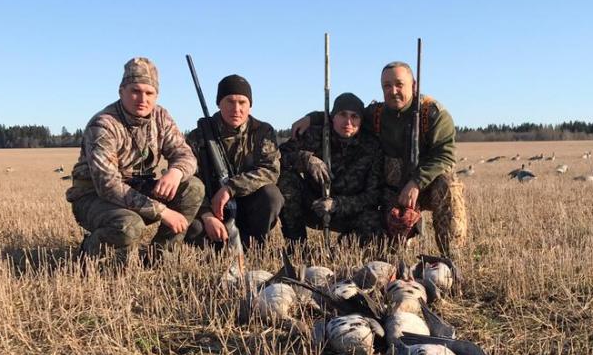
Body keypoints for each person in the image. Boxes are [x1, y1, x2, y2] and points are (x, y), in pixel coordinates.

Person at [290, 61, 466, 254]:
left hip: (427, 184)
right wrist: (312, 118)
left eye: (399, 84)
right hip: (393, 189)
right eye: (387, 86)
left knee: (448, 185)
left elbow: (446, 153)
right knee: (387, 246)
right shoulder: (376, 113)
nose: (393, 91)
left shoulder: (433, 114)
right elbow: (345, 115)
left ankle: (452, 255)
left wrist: (416, 182)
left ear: (414, 85)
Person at [67, 57, 204, 260]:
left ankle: (160, 257)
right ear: (121, 91)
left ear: (156, 96)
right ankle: (89, 254)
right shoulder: (104, 125)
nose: (142, 99)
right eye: (135, 91)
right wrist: (162, 211)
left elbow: (186, 155)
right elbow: (108, 186)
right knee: (130, 226)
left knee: (193, 187)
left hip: (138, 188)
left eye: (149, 93)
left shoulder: (161, 117)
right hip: (94, 197)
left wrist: (176, 172)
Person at [186, 74, 283, 250]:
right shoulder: (199, 136)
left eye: (242, 102)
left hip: (249, 204)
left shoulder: (262, 131)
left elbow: (270, 171)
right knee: (193, 228)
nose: (236, 109)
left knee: (271, 196)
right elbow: (189, 181)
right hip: (211, 208)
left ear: (250, 105)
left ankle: (255, 247)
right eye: (230, 101)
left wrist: (230, 188)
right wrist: (207, 214)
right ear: (219, 103)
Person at [278, 92, 384, 247]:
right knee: (286, 179)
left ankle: (343, 250)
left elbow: (372, 196)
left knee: (375, 223)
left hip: (348, 210)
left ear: (361, 121)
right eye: (343, 115)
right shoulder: (315, 135)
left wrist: (337, 204)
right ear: (332, 117)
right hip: (313, 204)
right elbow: (278, 157)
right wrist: (306, 159)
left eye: (354, 116)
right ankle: (296, 246)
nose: (348, 122)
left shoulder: (371, 147)